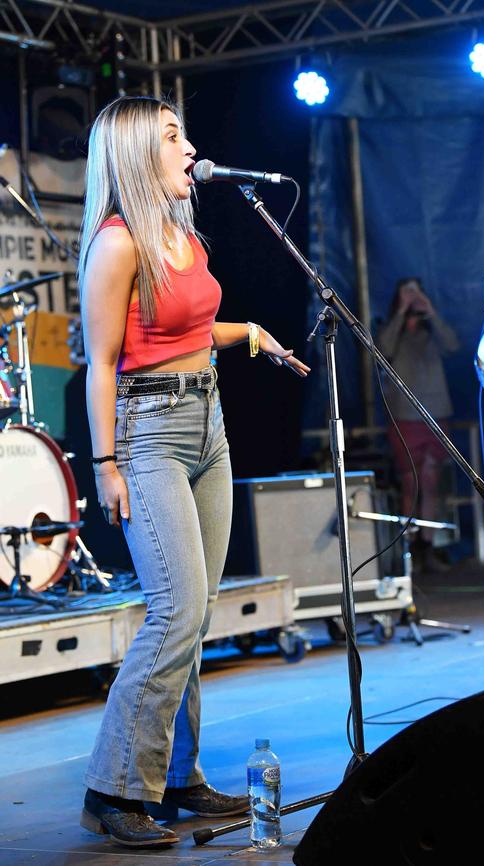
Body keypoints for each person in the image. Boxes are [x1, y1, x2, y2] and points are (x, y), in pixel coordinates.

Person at [77, 95, 309, 848]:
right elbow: (101, 363)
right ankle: (114, 788)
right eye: (174, 135)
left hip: (208, 423)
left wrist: (250, 334)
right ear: (140, 152)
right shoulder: (117, 244)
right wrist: (105, 463)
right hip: (147, 432)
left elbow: (191, 326)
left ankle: (179, 777)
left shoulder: (182, 235)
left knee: (198, 612)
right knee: (174, 610)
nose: (190, 147)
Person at [378, 277, 459, 572]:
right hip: (404, 415)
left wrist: (430, 312)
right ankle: (409, 549)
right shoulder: (391, 329)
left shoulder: (432, 330)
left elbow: (453, 345)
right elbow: (382, 348)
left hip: (435, 412)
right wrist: (401, 313)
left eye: (416, 291)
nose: (412, 297)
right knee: (410, 482)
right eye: (406, 291)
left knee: (431, 480)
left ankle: (429, 543)